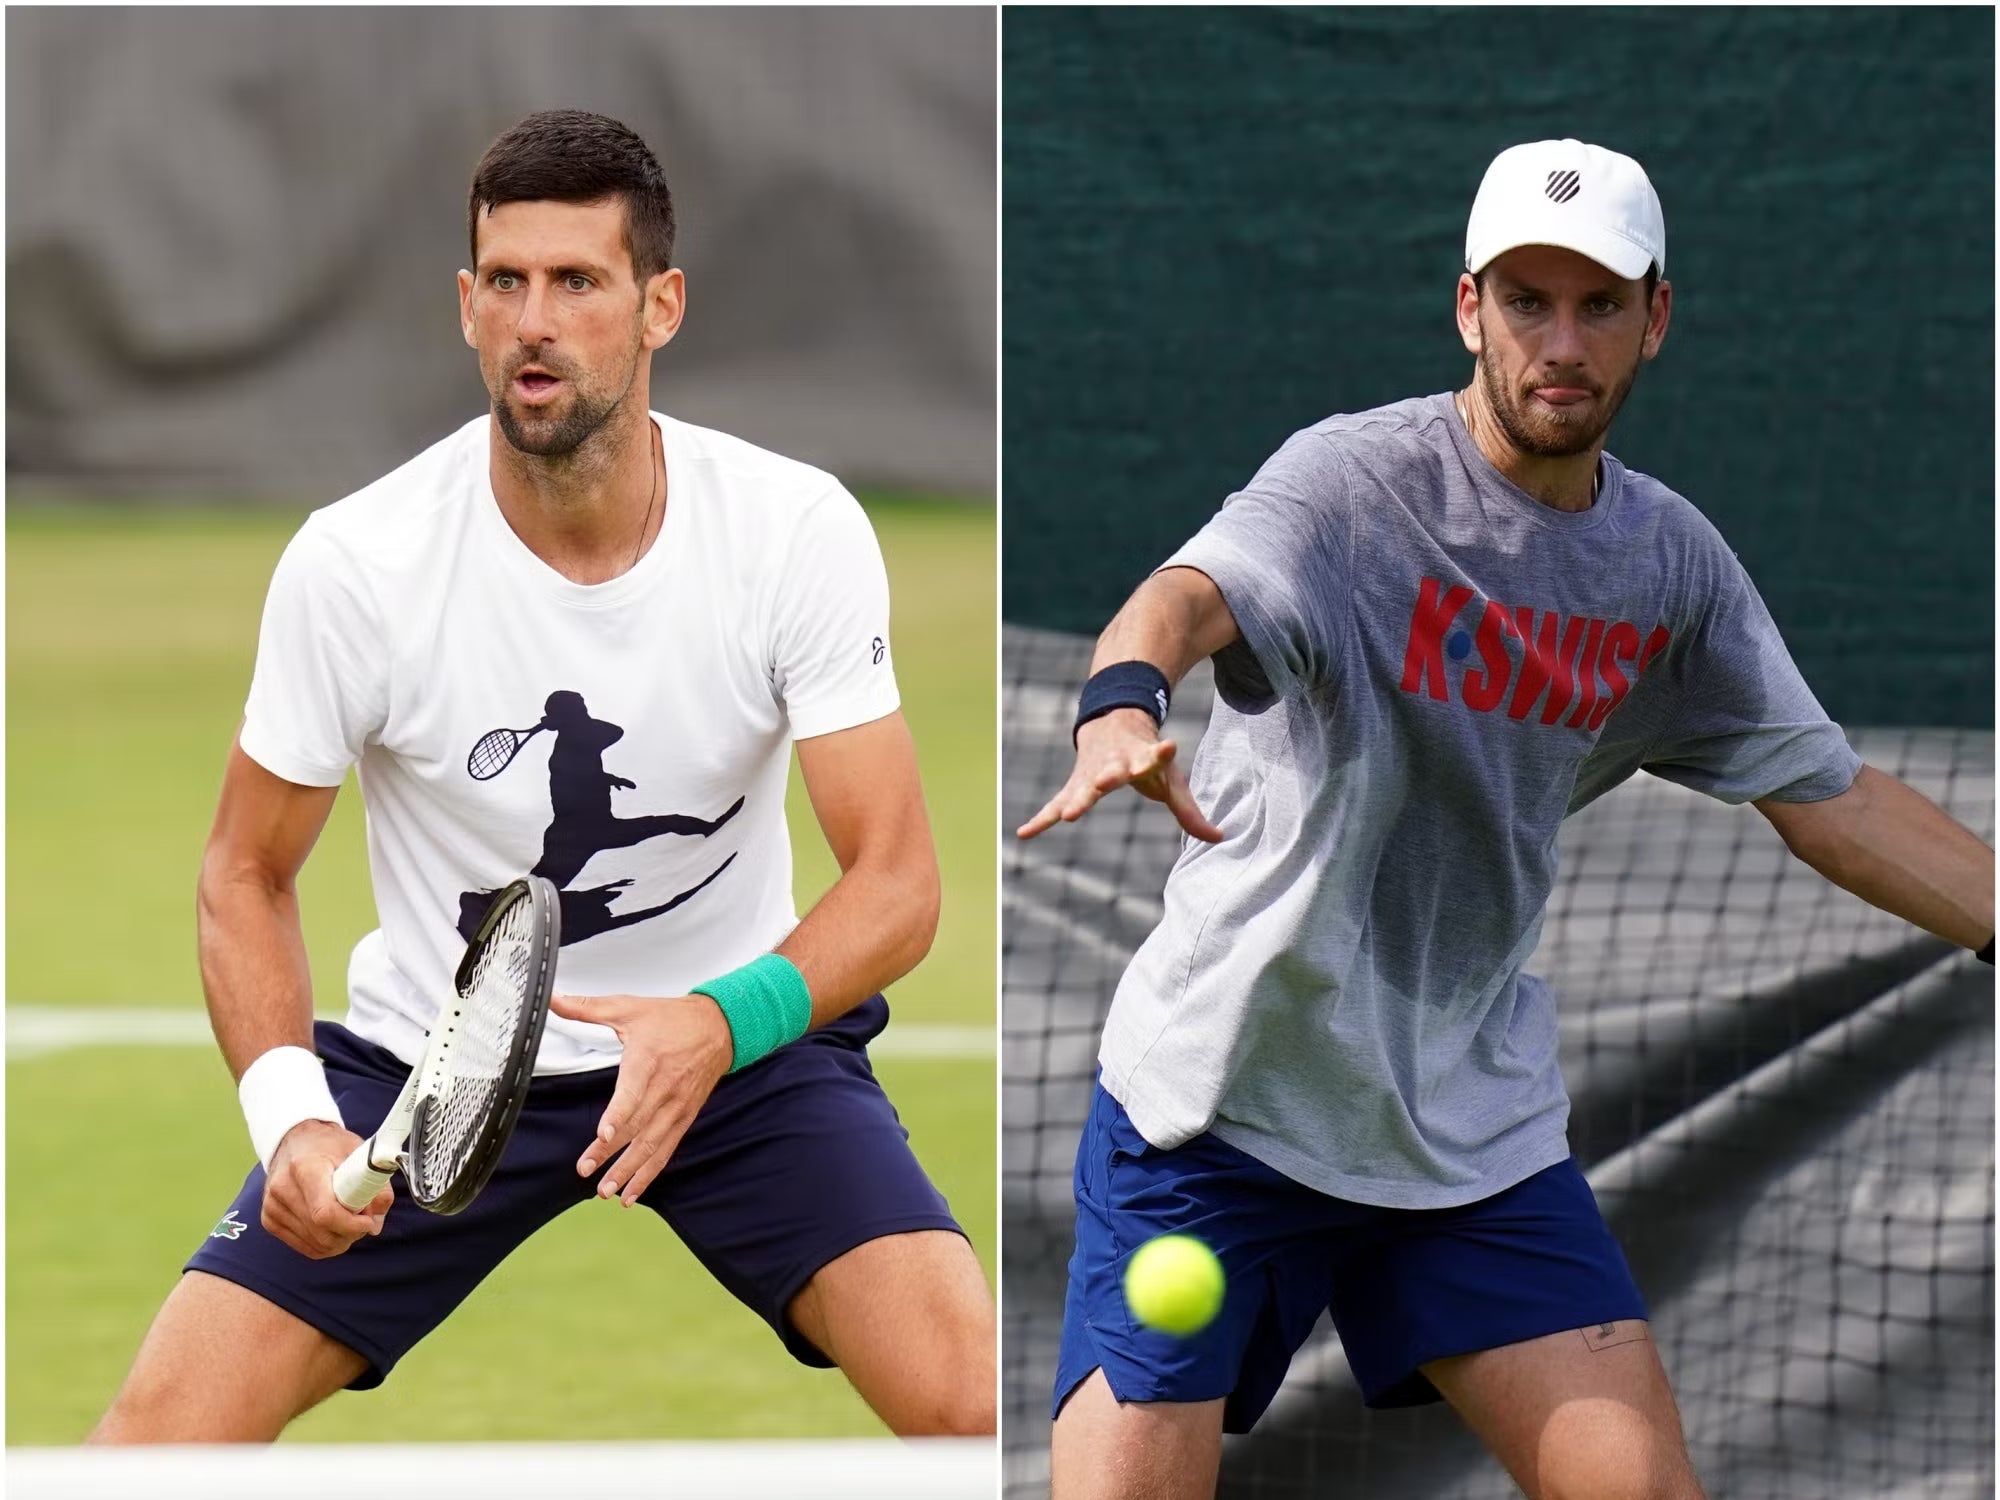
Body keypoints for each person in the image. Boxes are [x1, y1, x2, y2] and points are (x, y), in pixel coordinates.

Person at [1018, 138, 1993, 1500]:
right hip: (1224, 1113)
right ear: (1468, 307)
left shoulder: (1670, 567)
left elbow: (1829, 800)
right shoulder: (1349, 488)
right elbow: (1185, 595)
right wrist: (1121, 702)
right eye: (1528, 301)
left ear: (1657, 318)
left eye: (1600, 305)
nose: (1563, 342)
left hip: (1463, 1137)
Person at [93, 109, 994, 1442]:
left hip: (742, 1053)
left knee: (980, 1406)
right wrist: (290, 1124)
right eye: (505, 283)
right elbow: (245, 870)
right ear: (466, 307)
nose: (536, 320)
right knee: (148, 1451)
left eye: (578, 282)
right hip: (434, 1066)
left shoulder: (794, 533)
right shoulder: (357, 567)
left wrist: (721, 1023)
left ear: (660, 305)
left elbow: (901, 885)